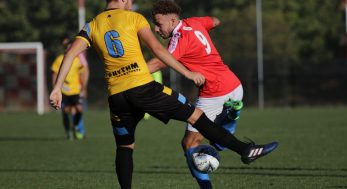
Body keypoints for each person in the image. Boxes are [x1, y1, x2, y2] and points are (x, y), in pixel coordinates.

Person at [49, 0, 278, 188]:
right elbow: (158, 51)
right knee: (196, 116)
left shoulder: (91, 25)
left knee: (125, 147)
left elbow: (70, 55)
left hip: (117, 96)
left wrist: (57, 88)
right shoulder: (134, 18)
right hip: (144, 88)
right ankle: (245, 148)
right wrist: (187, 74)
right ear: (124, 1)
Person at [148, 1, 276, 188]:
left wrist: (129, 71)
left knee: (189, 144)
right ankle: (230, 118)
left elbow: (159, 62)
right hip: (234, 84)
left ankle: (209, 182)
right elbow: (215, 21)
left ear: (173, 20)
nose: (156, 29)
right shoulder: (194, 22)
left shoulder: (179, 38)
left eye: (159, 24)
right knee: (215, 140)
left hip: (215, 93)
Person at [51, 36, 89, 140]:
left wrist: (84, 88)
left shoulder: (77, 59)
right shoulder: (59, 60)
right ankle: (68, 131)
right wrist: (55, 88)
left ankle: (76, 126)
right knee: (66, 111)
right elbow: (54, 74)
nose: (68, 48)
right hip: (64, 90)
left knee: (79, 109)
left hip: (76, 90)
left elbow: (82, 73)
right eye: (66, 46)